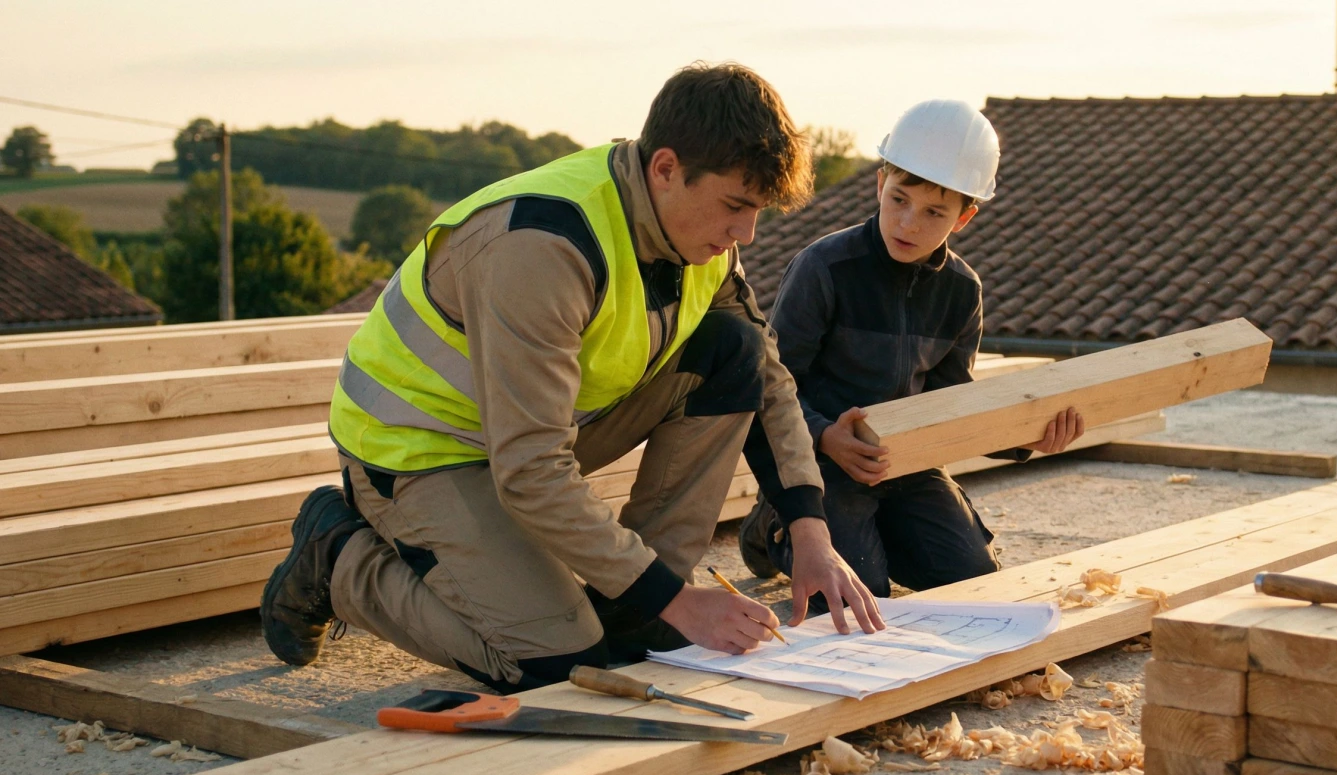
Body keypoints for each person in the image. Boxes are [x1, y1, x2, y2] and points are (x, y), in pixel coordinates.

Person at [260, 63, 885, 694]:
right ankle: (338, 557)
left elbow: (765, 375)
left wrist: (811, 533)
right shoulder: (541, 246)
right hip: (419, 451)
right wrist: (679, 603)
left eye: (757, 212)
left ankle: (633, 603)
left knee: (734, 347)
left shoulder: (695, 232)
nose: (744, 233)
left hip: (529, 433)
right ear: (666, 168)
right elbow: (530, 471)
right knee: (558, 667)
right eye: (734, 207)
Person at [740, 99, 1084, 604]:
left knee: (976, 583)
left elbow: (953, 402)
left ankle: (873, 531)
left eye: (934, 213)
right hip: (822, 462)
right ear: (880, 184)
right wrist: (825, 437)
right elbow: (772, 385)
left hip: (909, 462)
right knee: (860, 592)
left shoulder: (962, 291)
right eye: (898, 199)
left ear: (963, 218)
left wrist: (1030, 434)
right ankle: (773, 524)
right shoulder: (824, 269)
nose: (908, 223)